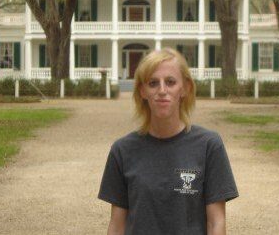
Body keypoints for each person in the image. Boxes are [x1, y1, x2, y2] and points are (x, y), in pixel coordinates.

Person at [98, 47, 238, 235]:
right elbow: (117, 225)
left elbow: (216, 223)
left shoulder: (209, 146)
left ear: (185, 88)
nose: (162, 90)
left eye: (170, 82)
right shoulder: (122, 150)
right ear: (142, 91)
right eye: (153, 83)